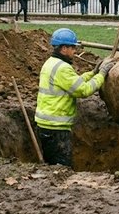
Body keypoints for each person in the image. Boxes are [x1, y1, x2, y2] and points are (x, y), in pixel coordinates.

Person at [35, 28, 111, 167]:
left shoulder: (51, 63)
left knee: (52, 166)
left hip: (45, 125)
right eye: (73, 48)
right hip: (56, 129)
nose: (75, 52)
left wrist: (93, 73)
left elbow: (74, 83)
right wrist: (102, 74)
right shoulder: (63, 68)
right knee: (61, 168)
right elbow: (83, 90)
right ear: (64, 48)